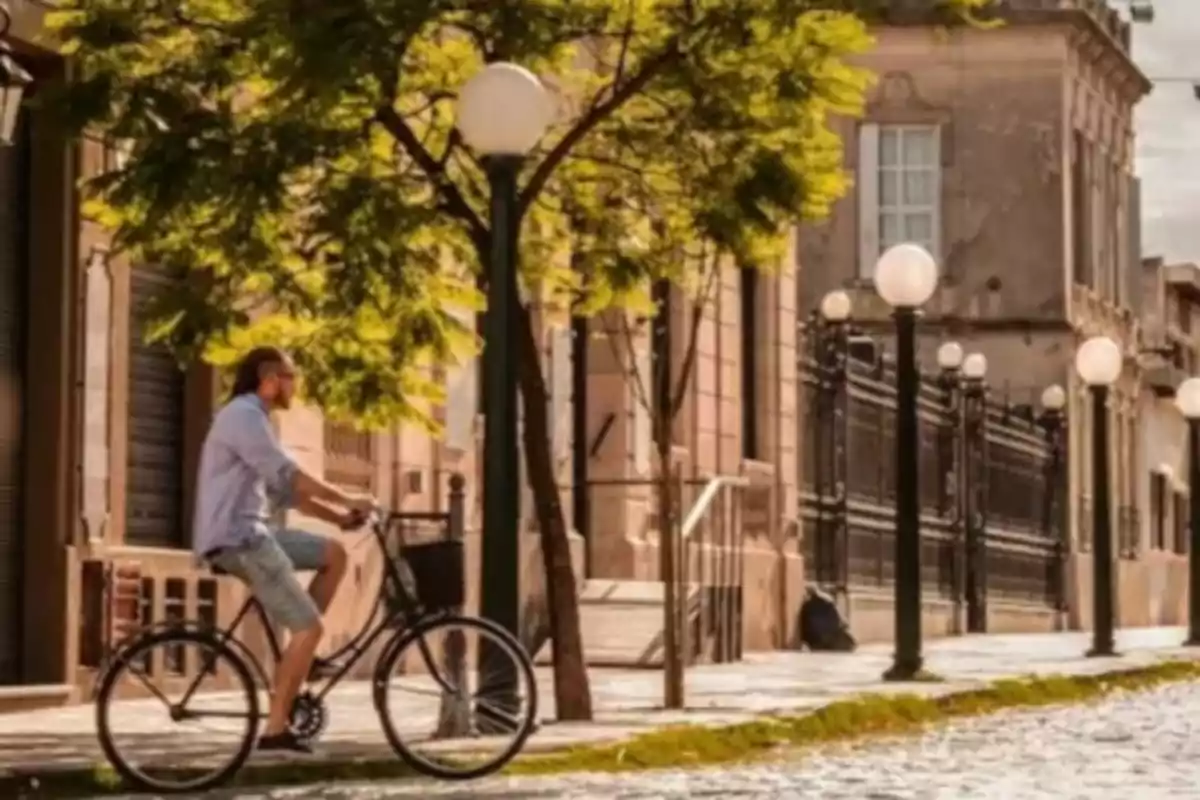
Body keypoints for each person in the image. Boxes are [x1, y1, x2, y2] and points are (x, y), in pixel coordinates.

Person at [192, 346, 375, 753]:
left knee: (334, 554)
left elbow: (285, 490)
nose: (295, 385)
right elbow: (291, 473)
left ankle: (301, 654)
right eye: (290, 377)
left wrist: (339, 519)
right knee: (310, 627)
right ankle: (275, 728)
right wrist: (348, 498)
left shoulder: (257, 419)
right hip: (238, 538)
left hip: (255, 531)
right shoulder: (244, 416)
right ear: (269, 379)